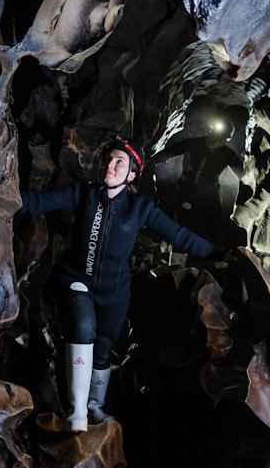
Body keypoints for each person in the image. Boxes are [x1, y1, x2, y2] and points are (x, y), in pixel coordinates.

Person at [18, 135, 232, 432]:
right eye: (108, 159)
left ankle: (95, 407)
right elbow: (34, 202)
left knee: (104, 347)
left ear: (132, 174)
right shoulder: (84, 194)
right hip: (78, 281)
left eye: (120, 162)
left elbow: (180, 236)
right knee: (84, 328)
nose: (110, 165)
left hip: (114, 292)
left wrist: (222, 253)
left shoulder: (140, 207)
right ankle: (76, 411)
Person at [154, 121, 244, 246]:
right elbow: (171, 152)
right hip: (187, 191)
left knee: (216, 228)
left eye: (220, 136)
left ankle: (216, 254)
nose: (214, 136)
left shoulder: (226, 154)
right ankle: (180, 252)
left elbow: (243, 173)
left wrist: (246, 190)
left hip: (209, 194)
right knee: (184, 225)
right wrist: (152, 161)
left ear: (225, 139)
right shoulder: (194, 144)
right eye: (214, 132)